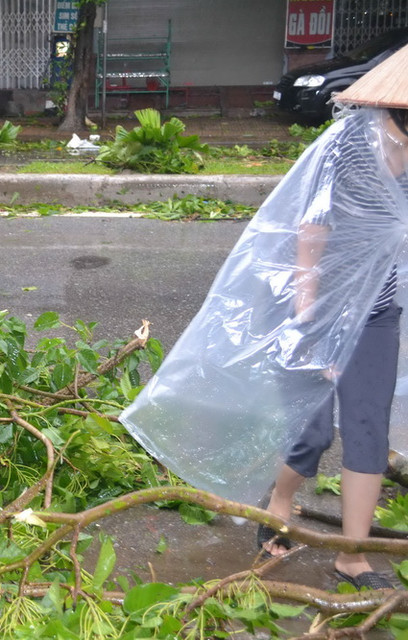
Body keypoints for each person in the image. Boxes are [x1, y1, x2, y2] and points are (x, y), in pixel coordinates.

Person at [121, 44, 408, 591]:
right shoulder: (351, 143)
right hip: (316, 304)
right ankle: (279, 503)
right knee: (312, 427)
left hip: (376, 312)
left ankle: (352, 556)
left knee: (368, 428)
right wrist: (309, 321)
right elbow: (312, 228)